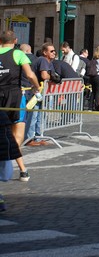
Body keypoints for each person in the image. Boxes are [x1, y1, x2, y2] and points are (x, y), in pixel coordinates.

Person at [0, 31, 41, 182]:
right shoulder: (17, 54)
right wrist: (36, 87)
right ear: (15, 40)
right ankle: (15, 166)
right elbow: (30, 75)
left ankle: (23, 170)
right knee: (17, 134)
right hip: (13, 96)